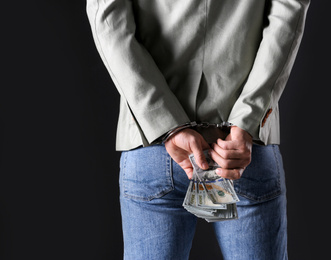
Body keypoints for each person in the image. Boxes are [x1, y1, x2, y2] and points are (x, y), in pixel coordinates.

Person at [86, 0, 310, 259]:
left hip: (154, 145)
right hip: (239, 148)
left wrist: (163, 123)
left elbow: (107, 18)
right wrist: (248, 119)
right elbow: (289, 11)